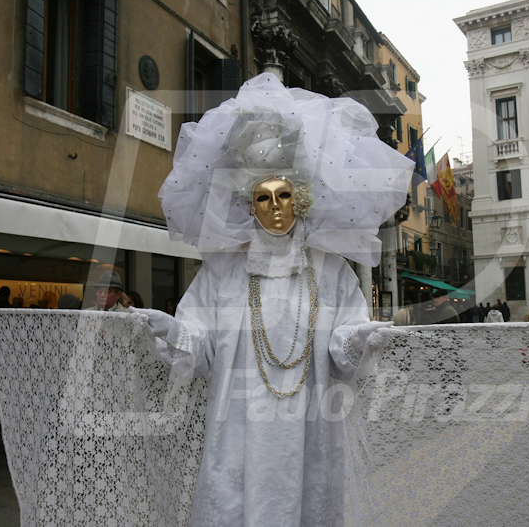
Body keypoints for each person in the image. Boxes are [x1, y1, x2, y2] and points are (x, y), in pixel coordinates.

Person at [132, 74, 412, 525]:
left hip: (311, 431)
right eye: (263, 197)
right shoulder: (221, 271)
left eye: (284, 194)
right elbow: (199, 348)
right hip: (237, 432)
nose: (275, 206)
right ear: (249, 201)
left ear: (299, 196)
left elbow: (344, 345)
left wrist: (361, 339)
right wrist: (170, 331)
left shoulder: (332, 270)